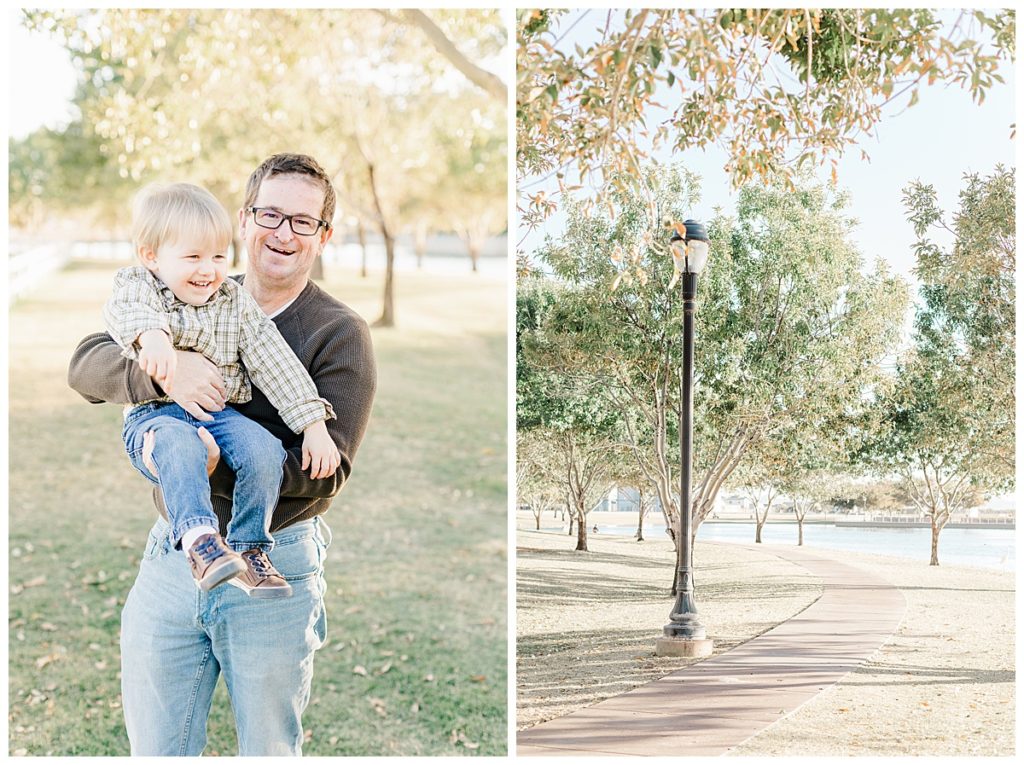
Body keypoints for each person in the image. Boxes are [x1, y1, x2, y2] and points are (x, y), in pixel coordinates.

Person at [67, 153, 377, 755]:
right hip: (171, 555)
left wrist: (217, 463)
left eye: (302, 221)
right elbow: (85, 364)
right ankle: (197, 537)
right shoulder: (187, 289)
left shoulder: (339, 331)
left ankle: (241, 548)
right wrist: (168, 373)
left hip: (275, 560)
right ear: (244, 218)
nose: (283, 232)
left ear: (323, 236)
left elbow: (328, 469)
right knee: (157, 747)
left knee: (266, 748)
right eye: (270, 213)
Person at [106, 181, 341, 598]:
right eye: (193, 257)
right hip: (155, 415)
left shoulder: (232, 299)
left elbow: (274, 361)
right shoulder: (138, 283)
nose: (208, 269)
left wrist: (314, 425)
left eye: (218, 256)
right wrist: (153, 339)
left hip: (220, 413)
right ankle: (201, 543)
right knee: (179, 447)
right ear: (151, 256)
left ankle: (250, 548)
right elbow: (127, 313)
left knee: (265, 451)